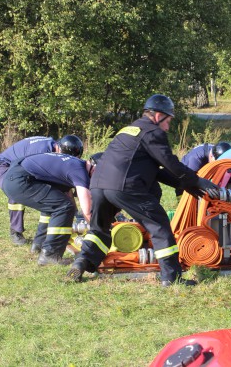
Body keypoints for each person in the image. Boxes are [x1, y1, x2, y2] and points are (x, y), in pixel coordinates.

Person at [67, 94, 220, 286]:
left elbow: (155, 171)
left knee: (99, 229)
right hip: (125, 187)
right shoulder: (153, 133)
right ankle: (172, 278)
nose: (168, 126)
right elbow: (170, 163)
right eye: (168, 120)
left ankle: (82, 262)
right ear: (158, 116)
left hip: (99, 185)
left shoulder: (128, 130)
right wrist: (198, 180)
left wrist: (188, 185)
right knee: (160, 226)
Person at [1, 151, 96, 266]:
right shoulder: (80, 172)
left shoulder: (74, 163)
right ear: (95, 169)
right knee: (63, 207)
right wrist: (98, 229)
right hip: (20, 181)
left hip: (16, 176)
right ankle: (50, 255)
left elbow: (67, 194)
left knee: (56, 203)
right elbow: (87, 208)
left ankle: (39, 244)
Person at [0, 135, 84, 245]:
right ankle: (15, 232)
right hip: (4, 166)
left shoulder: (54, 147)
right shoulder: (41, 151)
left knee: (50, 191)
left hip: (18, 167)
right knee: (18, 191)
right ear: (60, 149)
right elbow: (18, 170)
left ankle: (41, 238)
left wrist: (77, 214)